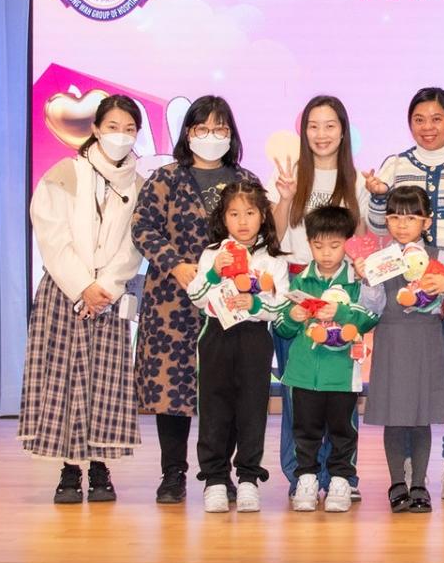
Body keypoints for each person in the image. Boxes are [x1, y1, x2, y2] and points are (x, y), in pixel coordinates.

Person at [364, 87, 444, 501]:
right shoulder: (395, 164)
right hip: (402, 294)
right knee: (405, 380)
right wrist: (378, 195)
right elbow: (377, 223)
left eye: (437, 118)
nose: (428, 127)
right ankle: (406, 468)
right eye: (419, 119)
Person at [131, 95, 260, 505]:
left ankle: (220, 474)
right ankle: (173, 473)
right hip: (172, 299)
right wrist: (175, 264)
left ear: (231, 134)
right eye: (203, 128)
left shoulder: (245, 180)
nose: (211, 136)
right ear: (188, 133)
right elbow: (142, 227)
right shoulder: (165, 178)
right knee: (173, 389)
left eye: (220, 129)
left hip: (229, 304)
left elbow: (263, 233)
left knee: (227, 389)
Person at [21, 94, 145, 505]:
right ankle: (69, 470)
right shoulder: (63, 175)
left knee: (105, 384)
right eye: (113, 127)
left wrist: (104, 287)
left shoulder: (140, 186)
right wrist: (82, 286)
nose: (120, 136)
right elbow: (51, 237)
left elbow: (134, 246)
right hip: (64, 293)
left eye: (129, 129)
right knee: (65, 381)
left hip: (109, 297)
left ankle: (100, 467)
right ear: (95, 129)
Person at [269, 95, 371, 502]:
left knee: (339, 391)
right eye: (313, 126)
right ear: (303, 131)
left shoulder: (357, 181)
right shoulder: (290, 175)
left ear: (343, 131)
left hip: (341, 292)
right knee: (299, 392)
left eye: (330, 125)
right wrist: (285, 197)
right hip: (298, 288)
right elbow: (275, 236)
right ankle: (302, 475)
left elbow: (360, 239)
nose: (321, 134)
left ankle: (342, 476)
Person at [185, 178, 290, 514]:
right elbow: (196, 297)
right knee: (214, 410)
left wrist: (255, 304)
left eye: (250, 213)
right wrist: (214, 273)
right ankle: (215, 479)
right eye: (234, 214)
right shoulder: (212, 254)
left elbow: (281, 306)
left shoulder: (274, 260)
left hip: (255, 340)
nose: (242, 221)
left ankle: (248, 479)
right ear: (223, 218)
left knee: (252, 409)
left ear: (263, 215)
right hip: (216, 337)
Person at [363, 184, 444, 513]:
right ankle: (397, 482)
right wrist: (367, 280)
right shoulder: (381, 259)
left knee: (422, 416)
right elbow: (372, 306)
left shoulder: (438, 256)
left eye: (411, 217)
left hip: (426, 340)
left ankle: (420, 483)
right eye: (394, 217)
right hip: (391, 338)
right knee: (393, 416)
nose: (401, 224)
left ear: (427, 221)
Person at [272, 204, 382, 514]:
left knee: (342, 432)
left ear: (347, 243)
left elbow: (370, 318)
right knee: (304, 431)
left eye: (334, 245)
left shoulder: (356, 281)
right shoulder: (300, 281)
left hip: (342, 374)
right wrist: (292, 317)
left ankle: (341, 480)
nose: (326, 253)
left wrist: (342, 312)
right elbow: (280, 326)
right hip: (302, 374)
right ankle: (306, 479)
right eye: (318, 245)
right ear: (309, 244)